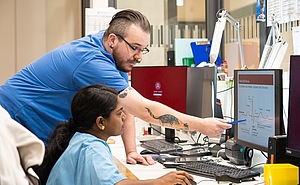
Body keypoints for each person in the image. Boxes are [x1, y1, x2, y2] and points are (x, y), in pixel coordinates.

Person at [0, 9, 231, 165]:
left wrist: (131, 151)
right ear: (113, 40)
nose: (139, 56)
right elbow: (143, 109)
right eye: (135, 48)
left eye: (143, 49)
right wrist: (201, 125)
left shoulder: (111, 53)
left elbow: (124, 105)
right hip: (10, 124)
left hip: (25, 127)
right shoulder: (91, 62)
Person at [35, 84, 195, 185]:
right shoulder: (92, 148)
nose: (125, 117)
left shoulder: (82, 139)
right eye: (119, 113)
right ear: (101, 122)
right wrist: (160, 182)